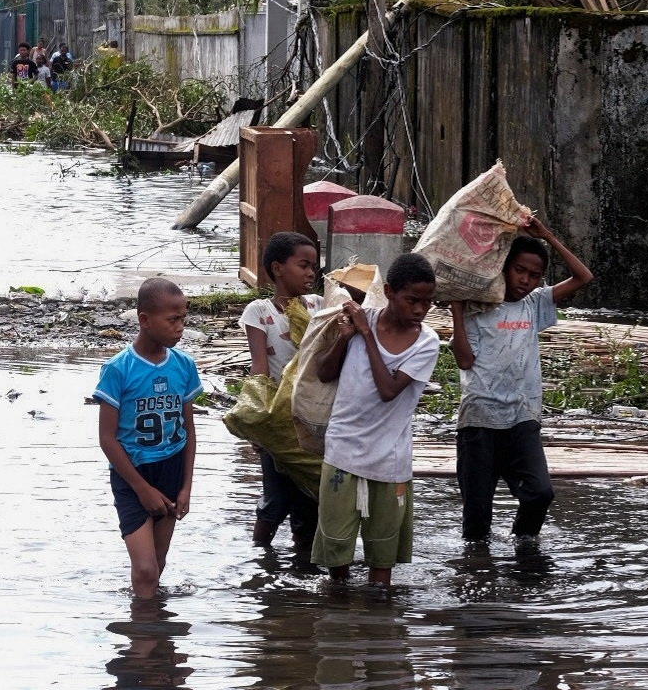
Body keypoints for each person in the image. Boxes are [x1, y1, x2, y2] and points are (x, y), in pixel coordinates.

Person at [450, 219, 593, 547]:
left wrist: (547, 236)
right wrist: (457, 311)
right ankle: (477, 580)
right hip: (478, 420)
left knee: (540, 494)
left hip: (521, 418)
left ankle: (524, 552)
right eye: (519, 271)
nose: (525, 280)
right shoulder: (478, 307)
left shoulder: (535, 303)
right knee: (476, 524)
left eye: (534, 275)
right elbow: (464, 361)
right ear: (504, 267)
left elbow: (583, 277)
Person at [313, 252, 440, 587]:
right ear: (390, 291)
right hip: (342, 448)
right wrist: (345, 337)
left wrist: (366, 335)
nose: (419, 310)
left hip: (390, 458)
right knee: (336, 553)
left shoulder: (426, 342)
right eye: (412, 300)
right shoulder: (359, 320)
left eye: (427, 303)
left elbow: (388, 390)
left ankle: (378, 630)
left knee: (382, 559)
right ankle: (337, 624)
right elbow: (325, 374)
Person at [93, 277, 201, 599]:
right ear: (144, 319)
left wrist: (186, 487)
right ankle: (139, 645)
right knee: (144, 569)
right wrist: (142, 488)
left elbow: (189, 430)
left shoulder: (184, 366)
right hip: (132, 475)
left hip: (170, 468)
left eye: (183, 319)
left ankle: (156, 639)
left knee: (158, 563)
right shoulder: (118, 370)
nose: (180, 327)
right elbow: (107, 439)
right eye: (173, 320)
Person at [240, 229, 322, 557]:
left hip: (313, 416)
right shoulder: (259, 312)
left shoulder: (319, 305)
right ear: (278, 269)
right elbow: (260, 367)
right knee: (276, 497)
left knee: (310, 497)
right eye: (303, 265)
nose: (311, 272)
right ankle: (259, 558)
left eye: (314, 266)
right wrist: (257, 420)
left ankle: (303, 565)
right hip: (278, 416)